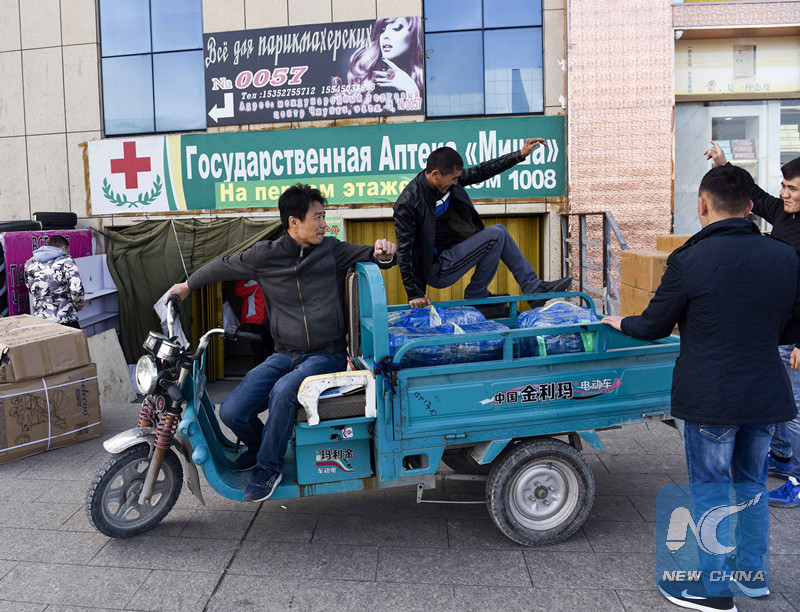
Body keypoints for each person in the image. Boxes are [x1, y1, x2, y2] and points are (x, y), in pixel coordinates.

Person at [603, 164, 800, 611]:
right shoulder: (786, 257)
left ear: (703, 205)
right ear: (751, 208)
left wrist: (620, 321)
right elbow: (792, 325)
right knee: (751, 484)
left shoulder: (689, 260)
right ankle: (752, 576)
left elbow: (653, 325)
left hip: (711, 397)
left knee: (711, 490)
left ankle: (715, 592)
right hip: (765, 395)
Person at [169, 184, 396, 502]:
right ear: (294, 222)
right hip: (284, 354)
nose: (324, 224)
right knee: (232, 411)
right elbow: (224, 265)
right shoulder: (265, 256)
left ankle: (269, 467)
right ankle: (260, 447)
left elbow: (375, 255)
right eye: (318, 217)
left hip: (326, 354)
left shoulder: (332, 251)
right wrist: (188, 285)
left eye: (324, 216)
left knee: (284, 390)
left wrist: (385, 252)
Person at [706, 142, 800, 508]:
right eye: (784, 187)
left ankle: (797, 478)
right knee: (778, 398)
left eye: (793, 189)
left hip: (795, 336)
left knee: (794, 407)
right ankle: (783, 456)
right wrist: (723, 164)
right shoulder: (785, 214)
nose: (785, 194)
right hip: (776, 329)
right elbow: (756, 197)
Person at [393, 140, 572, 309]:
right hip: (436, 268)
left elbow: (482, 170)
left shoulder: (451, 181)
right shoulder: (408, 203)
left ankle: (520, 289)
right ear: (435, 174)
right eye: (453, 179)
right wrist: (415, 294)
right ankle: (486, 292)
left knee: (498, 235)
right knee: (497, 233)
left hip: (453, 252)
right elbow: (405, 251)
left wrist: (519, 155)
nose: (456, 182)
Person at [337, 17, 423, 99]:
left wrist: (411, 89)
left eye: (396, 28)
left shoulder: (424, 83)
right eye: (382, 30)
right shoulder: (369, 82)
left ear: (415, 36)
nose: (385, 35)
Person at [24, 234, 84, 329]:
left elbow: (30, 287)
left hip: (41, 319)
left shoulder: (30, 263)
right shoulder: (67, 261)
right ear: (63, 248)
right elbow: (76, 288)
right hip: (64, 318)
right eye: (67, 251)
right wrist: (78, 305)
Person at [234, 279, 274, 365]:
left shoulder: (254, 283)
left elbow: (239, 291)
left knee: (258, 351)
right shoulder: (272, 282)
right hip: (271, 320)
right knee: (271, 349)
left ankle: (260, 371)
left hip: (257, 320)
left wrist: (244, 278)